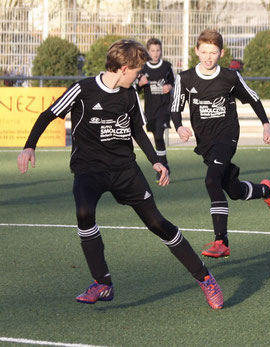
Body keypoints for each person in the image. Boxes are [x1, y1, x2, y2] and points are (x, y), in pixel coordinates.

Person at [16, 39, 223, 310]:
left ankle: (205, 277)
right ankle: (102, 283)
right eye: (137, 72)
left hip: (125, 170)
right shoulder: (83, 89)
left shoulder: (129, 95)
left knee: (157, 223)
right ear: (124, 69)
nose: (140, 77)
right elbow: (48, 114)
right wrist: (29, 146)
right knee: (84, 214)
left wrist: (156, 161)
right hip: (88, 169)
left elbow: (137, 129)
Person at [170, 29, 270, 258]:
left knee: (212, 180)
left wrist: (266, 124)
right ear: (196, 51)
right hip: (205, 142)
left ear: (221, 52)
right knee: (232, 189)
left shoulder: (230, 77)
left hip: (227, 135)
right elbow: (174, 109)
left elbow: (253, 98)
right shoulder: (185, 78)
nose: (208, 57)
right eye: (204, 52)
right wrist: (179, 127)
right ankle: (265, 190)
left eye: (213, 52)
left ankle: (221, 241)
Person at [137, 38, 175, 181]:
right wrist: (140, 83)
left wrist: (169, 87)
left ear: (161, 50)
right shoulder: (143, 68)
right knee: (156, 137)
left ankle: (162, 167)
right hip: (150, 109)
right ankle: (164, 165)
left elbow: (173, 81)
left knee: (159, 135)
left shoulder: (166, 66)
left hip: (164, 108)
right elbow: (135, 88)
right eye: (152, 50)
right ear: (148, 51)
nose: (155, 53)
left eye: (158, 50)